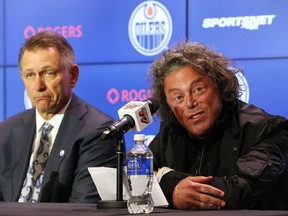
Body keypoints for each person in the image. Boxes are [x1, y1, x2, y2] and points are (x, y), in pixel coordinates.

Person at [147, 41, 288, 210]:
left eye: (198, 89)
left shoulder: (267, 129)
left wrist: (165, 176)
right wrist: (173, 191)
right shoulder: (171, 130)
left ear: (220, 85)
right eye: (178, 97)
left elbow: (239, 191)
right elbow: (134, 179)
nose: (190, 103)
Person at [0, 30, 119, 203]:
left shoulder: (98, 131)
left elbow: (82, 208)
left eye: (48, 73)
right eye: (30, 75)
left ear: (73, 76)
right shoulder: (5, 132)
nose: (38, 86)